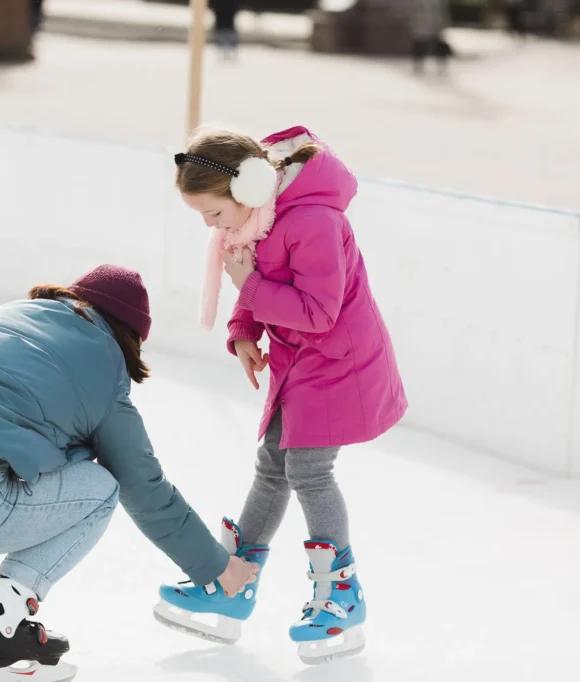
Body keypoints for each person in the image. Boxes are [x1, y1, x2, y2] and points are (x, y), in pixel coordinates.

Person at [0, 265, 259, 681]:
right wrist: (218, 567)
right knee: (98, 488)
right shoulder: (103, 368)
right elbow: (145, 490)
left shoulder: (10, 313)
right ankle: (0, 625)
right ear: (129, 338)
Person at [154, 126, 407, 665]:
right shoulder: (257, 220)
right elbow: (263, 283)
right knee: (272, 467)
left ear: (246, 188)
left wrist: (248, 290)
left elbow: (318, 312)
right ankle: (231, 583)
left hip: (339, 364)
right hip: (300, 365)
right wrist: (242, 329)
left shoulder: (313, 220)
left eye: (212, 214)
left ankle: (343, 595)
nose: (209, 227)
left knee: (308, 472)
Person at [410, 0, 452, 75]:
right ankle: (418, 65)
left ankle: (441, 65)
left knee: (438, 46)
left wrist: (442, 25)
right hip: (422, 25)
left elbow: (442, 12)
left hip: (435, 26)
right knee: (420, 45)